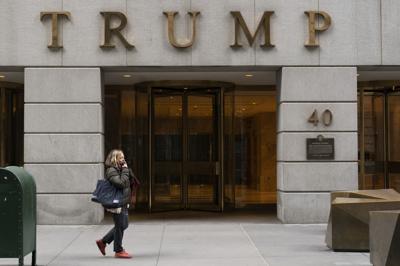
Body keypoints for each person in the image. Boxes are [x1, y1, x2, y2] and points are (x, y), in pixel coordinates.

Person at [96, 149, 133, 259]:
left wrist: (125, 170)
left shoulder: (120, 169)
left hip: (123, 201)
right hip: (117, 202)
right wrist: (126, 170)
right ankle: (118, 250)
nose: (123, 159)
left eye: (123, 157)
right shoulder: (111, 170)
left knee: (123, 225)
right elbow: (121, 183)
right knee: (120, 226)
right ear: (114, 159)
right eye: (120, 157)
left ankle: (103, 242)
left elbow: (126, 181)